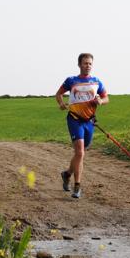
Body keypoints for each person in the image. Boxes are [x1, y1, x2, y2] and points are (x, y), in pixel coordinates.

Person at [55, 53, 109, 198]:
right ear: (79, 65)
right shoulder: (71, 80)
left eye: (90, 63)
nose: (88, 66)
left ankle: (67, 174)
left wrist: (101, 102)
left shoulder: (96, 81)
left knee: (80, 154)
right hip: (74, 119)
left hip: (89, 121)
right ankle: (77, 186)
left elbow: (106, 98)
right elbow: (58, 94)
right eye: (85, 63)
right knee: (80, 153)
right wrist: (61, 104)